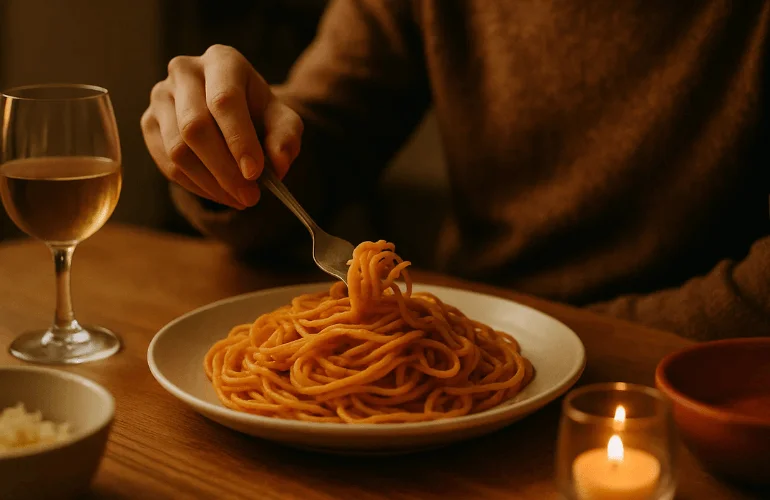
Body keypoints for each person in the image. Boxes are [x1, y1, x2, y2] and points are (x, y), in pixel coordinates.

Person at [141, 0, 770, 341]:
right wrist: (234, 139)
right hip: (470, 346)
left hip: (697, 383)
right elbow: (325, 132)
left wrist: (550, 343)